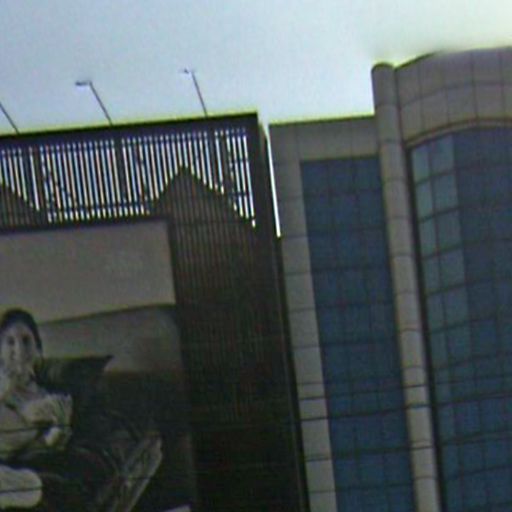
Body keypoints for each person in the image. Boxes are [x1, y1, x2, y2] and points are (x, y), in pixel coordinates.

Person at [0, 309, 72, 509]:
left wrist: (58, 431)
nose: (19, 350)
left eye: (26, 341)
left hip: (6, 471)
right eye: (10, 342)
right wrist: (4, 390)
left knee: (32, 487)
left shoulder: (46, 400)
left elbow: (32, 452)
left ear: (38, 348)